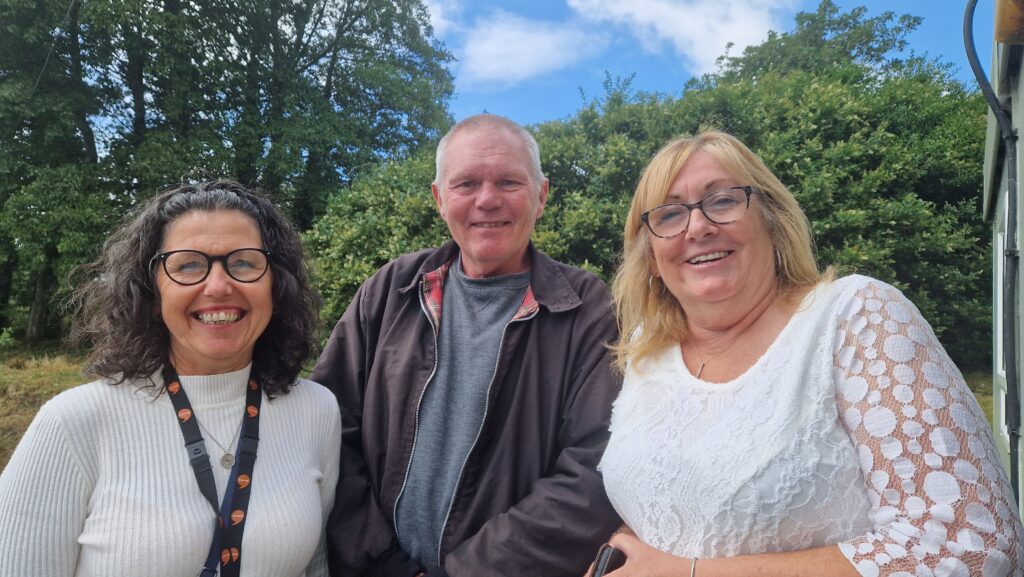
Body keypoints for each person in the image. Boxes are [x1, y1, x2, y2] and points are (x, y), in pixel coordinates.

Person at [597, 131, 1024, 576]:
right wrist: (619, 552)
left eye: (722, 201)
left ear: (772, 220)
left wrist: (687, 573)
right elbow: (664, 501)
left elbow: (970, 546)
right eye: (668, 214)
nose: (698, 227)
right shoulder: (650, 352)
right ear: (649, 252)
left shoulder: (853, 317)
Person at [311, 113, 622, 576]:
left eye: (509, 182)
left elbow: (595, 467)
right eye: (466, 183)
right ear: (440, 199)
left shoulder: (587, 310)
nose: (487, 199)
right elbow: (328, 430)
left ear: (541, 196)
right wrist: (381, 563)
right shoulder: (390, 290)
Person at [0, 180, 340, 577]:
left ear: (276, 287)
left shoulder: (317, 410)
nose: (218, 286)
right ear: (152, 292)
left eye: (245, 262)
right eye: (188, 265)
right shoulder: (73, 423)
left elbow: (317, 566)